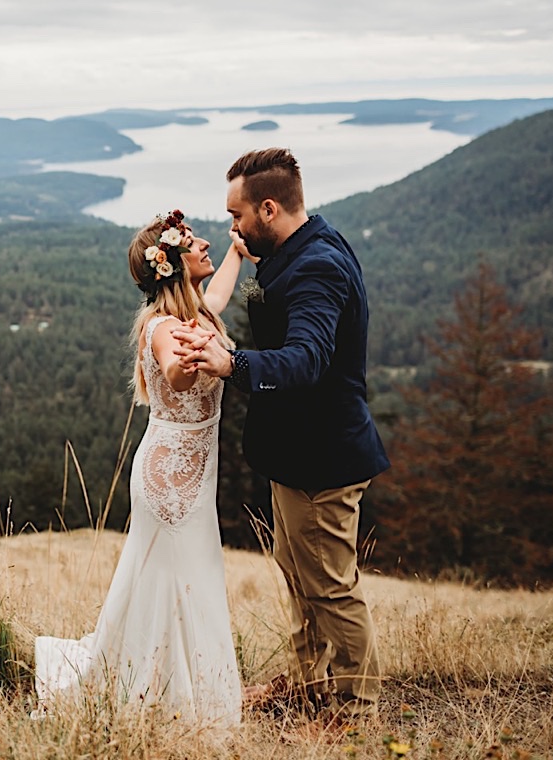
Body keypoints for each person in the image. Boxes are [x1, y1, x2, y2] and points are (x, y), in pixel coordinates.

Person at [171, 148, 389, 721]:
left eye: (238, 215)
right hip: (296, 455)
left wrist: (232, 363)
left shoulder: (317, 265)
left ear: (268, 208)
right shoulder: (302, 245)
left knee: (331, 587)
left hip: (322, 459)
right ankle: (308, 684)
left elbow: (307, 359)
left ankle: (357, 708)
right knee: (300, 577)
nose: (232, 227)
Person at [32, 209, 250, 725]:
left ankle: (171, 687)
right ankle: (171, 698)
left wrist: (238, 254)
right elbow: (174, 374)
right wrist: (191, 359)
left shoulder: (199, 313)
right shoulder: (162, 327)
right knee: (176, 577)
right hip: (170, 475)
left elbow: (216, 297)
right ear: (172, 263)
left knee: (188, 574)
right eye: (194, 243)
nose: (205, 246)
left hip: (192, 469)